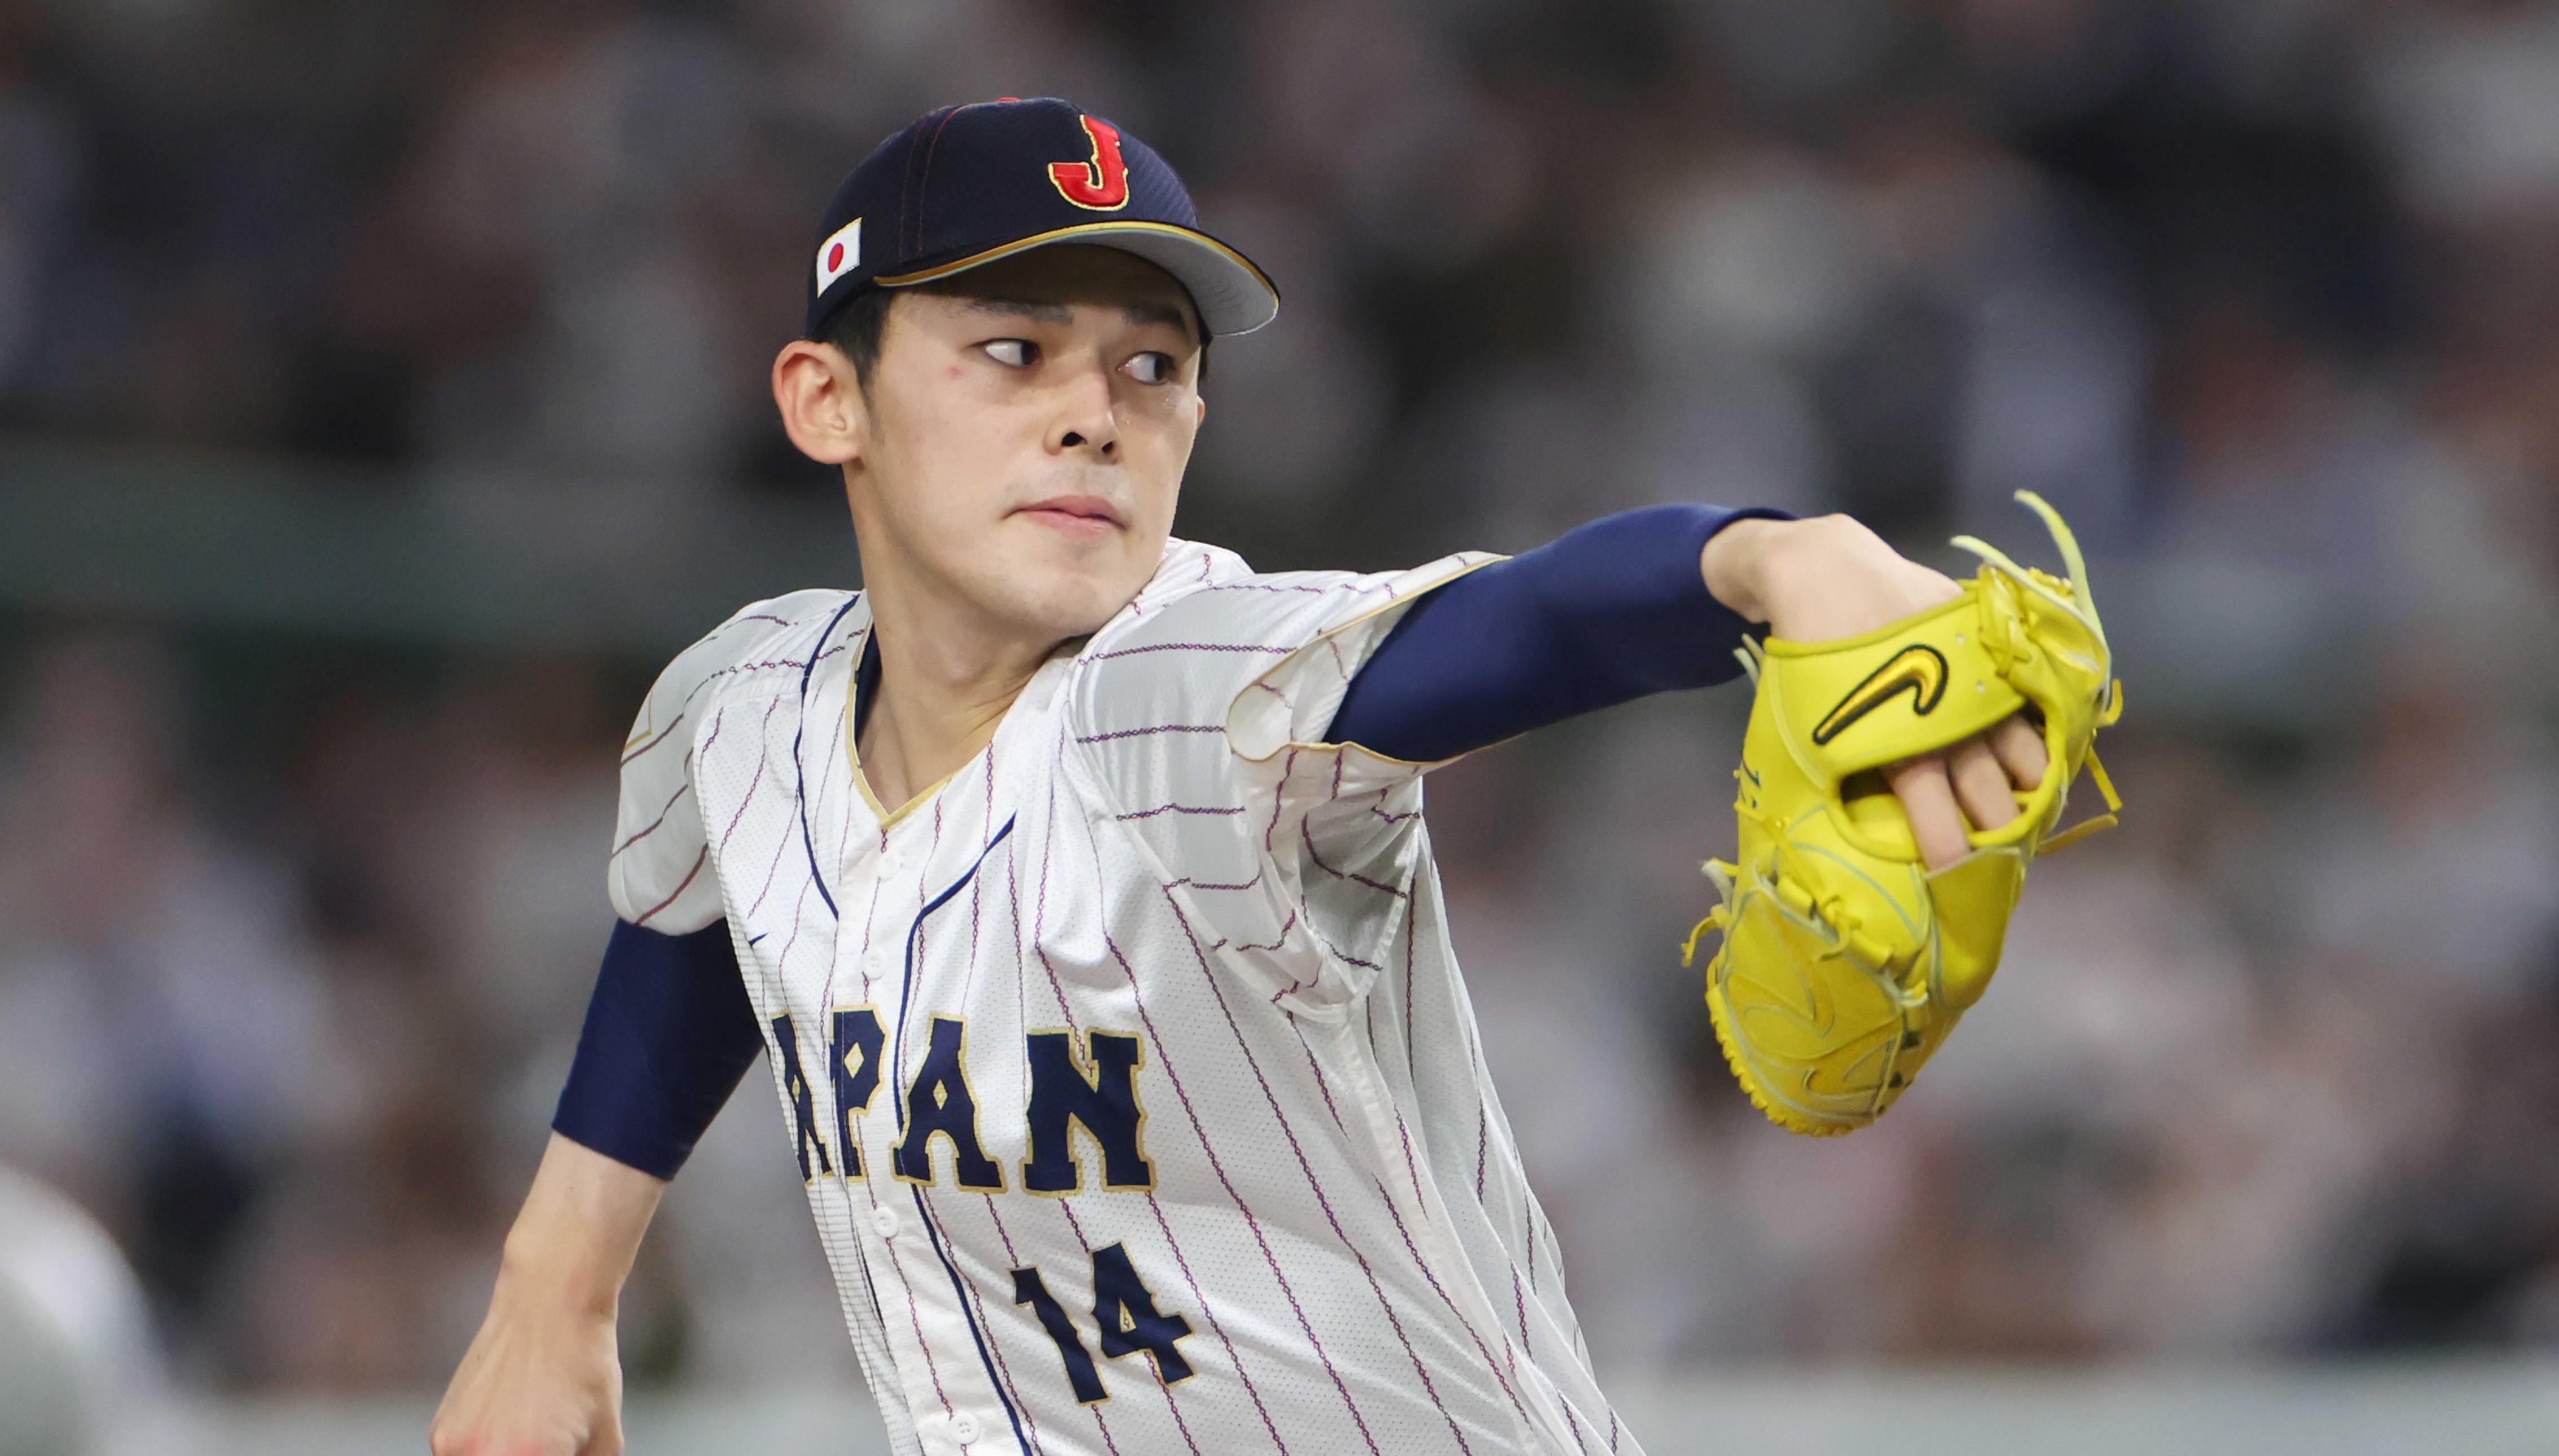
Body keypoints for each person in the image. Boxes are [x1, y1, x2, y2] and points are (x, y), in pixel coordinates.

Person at [430, 98, 2047, 1456]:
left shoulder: (1193, 693)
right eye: (1014, 350)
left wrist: (1766, 560)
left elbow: (1514, 629)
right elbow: (700, 914)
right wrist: (554, 1289)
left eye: (1152, 368)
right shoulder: (740, 705)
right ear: (826, 398)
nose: (1094, 417)